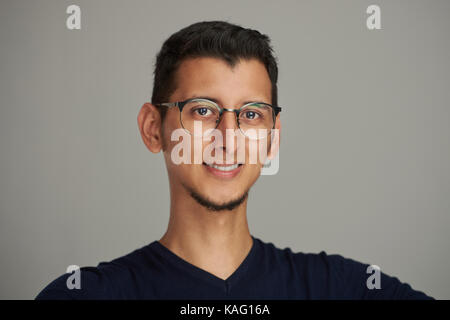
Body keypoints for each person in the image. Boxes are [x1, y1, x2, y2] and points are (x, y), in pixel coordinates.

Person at [36, 20, 433, 300]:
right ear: (153, 128)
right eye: (203, 110)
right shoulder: (85, 295)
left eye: (251, 114)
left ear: (272, 138)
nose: (228, 138)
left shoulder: (346, 289)